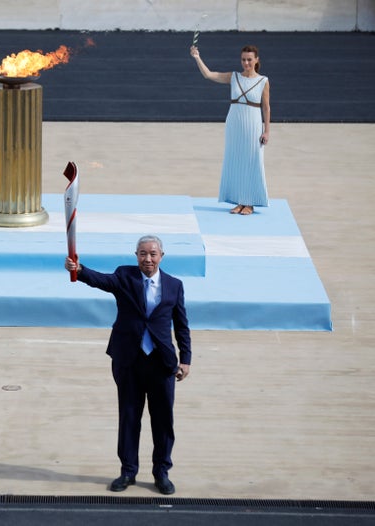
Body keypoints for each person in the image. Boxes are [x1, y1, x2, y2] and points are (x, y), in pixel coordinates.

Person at [64, 235, 191, 495]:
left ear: (162, 256)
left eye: (153, 254)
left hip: (161, 363)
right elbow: (102, 281)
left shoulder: (174, 285)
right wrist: (80, 270)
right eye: (143, 254)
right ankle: (128, 471)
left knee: (163, 421)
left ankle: (161, 472)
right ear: (136, 255)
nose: (148, 259)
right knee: (130, 417)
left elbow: (181, 325)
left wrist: (185, 359)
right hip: (129, 361)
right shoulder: (125, 277)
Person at [190, 44, 270, 215]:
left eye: (249, 60)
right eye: (243, 60)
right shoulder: (233, 77)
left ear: (256, 60)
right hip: (234, 123)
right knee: (235, 161)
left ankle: (249, 203)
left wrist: (267, 131)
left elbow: (266, 107)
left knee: (252, 161)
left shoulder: (263, 81)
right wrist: (197, 57)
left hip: (253, 124)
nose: (246, 63)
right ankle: (239, 201)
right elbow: (209, 74)